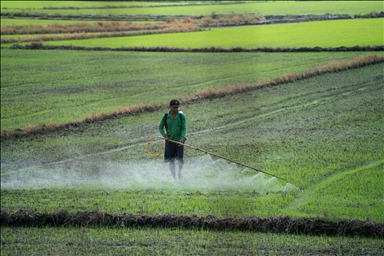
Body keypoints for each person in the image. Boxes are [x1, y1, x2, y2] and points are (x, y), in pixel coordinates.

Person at [158, 99, 187, 180]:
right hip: (170, 141)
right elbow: (160, 127)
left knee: (180, 159)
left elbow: (184, 128)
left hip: (179, 141)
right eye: (174, 107)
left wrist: (183, 138)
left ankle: (180, 172)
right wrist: (165, 135)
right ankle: (174, 178)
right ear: (170, 107)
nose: (176, 109)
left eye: (177, 107)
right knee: (171, 161)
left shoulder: (181, 116)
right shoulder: (166, 116)